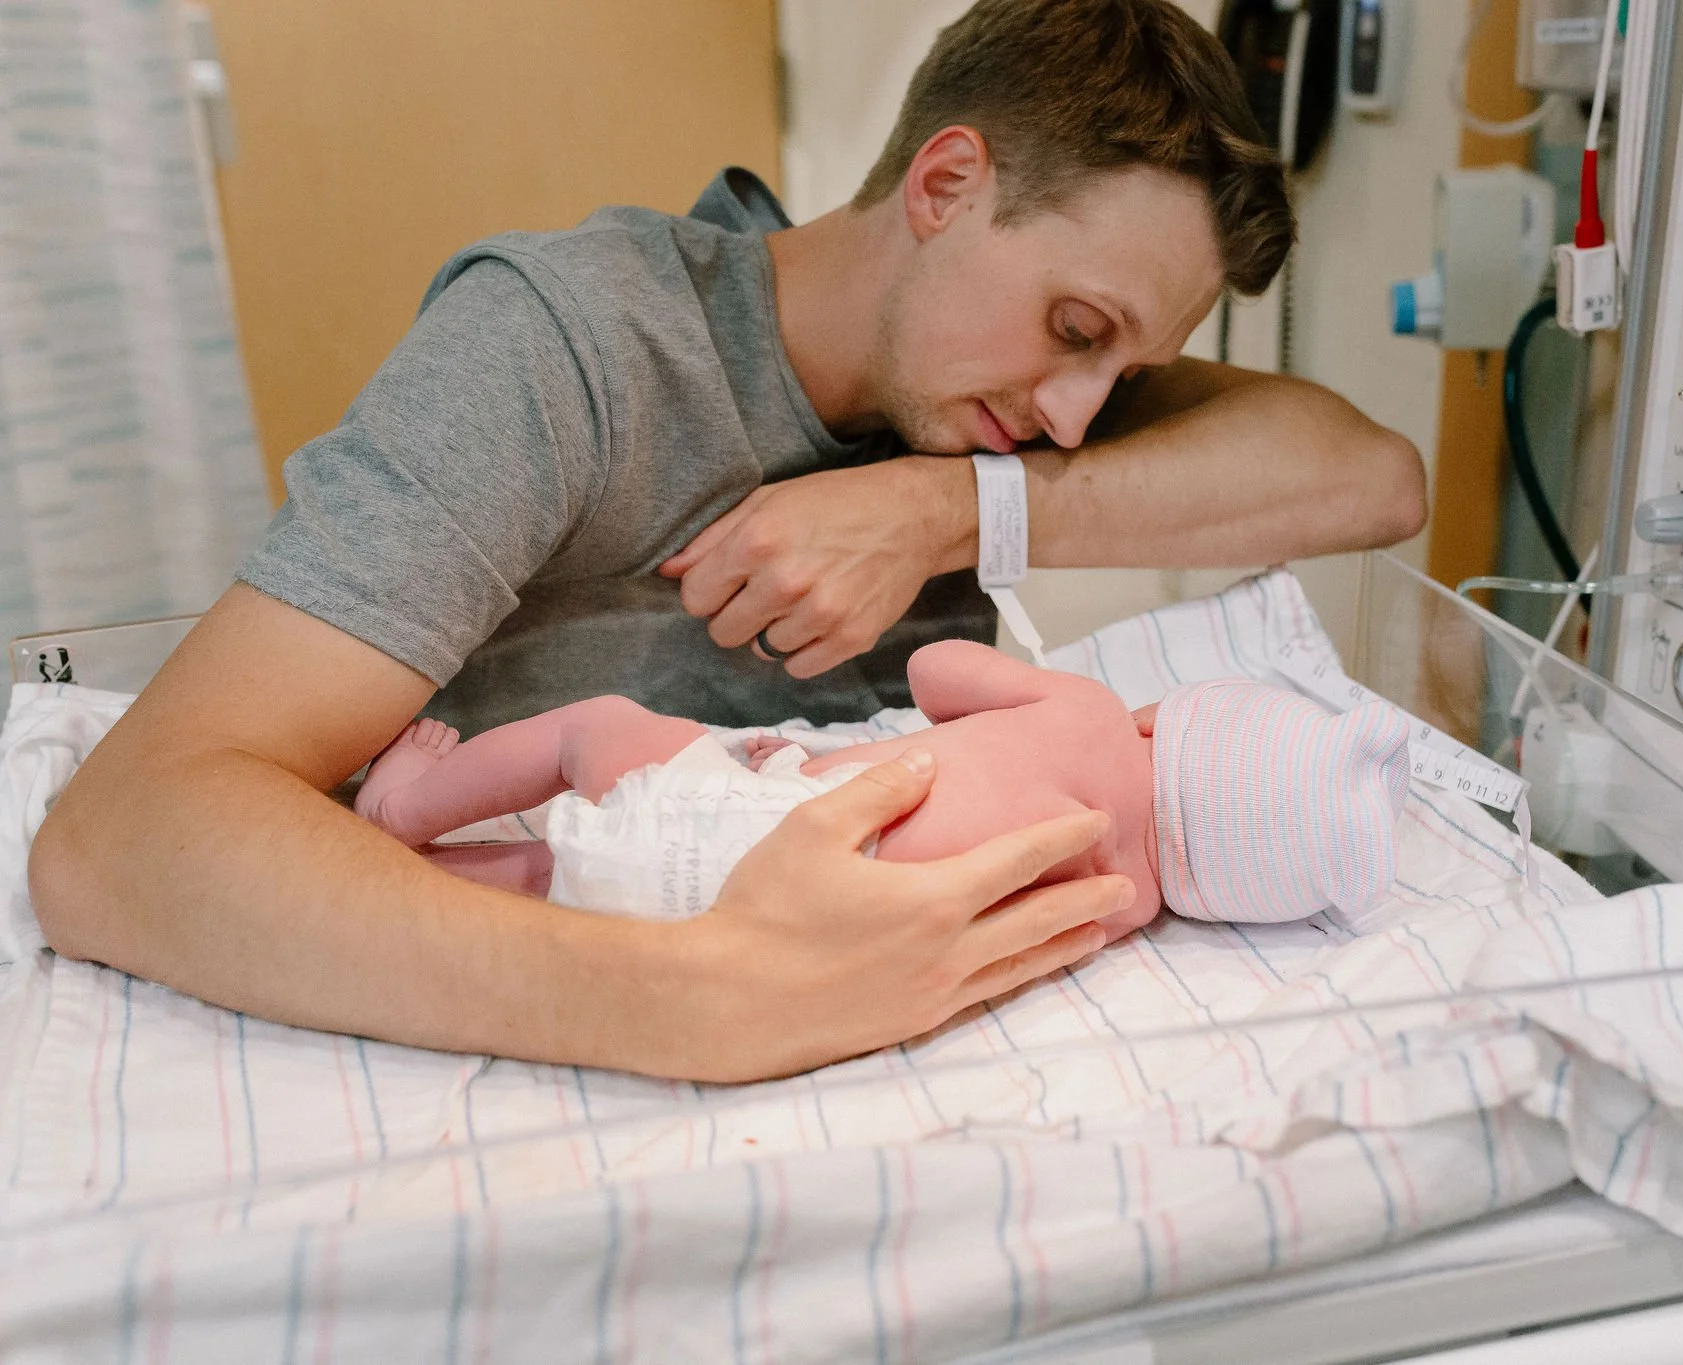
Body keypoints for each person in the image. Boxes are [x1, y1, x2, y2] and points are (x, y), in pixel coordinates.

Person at [28, 0, 1426, 1083]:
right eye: (1076, 331)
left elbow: (1371, 478)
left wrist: (952, 506)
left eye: (1120, 375)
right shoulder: (566, 348)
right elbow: (125, 838)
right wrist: (712, 998)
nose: (1076, 411)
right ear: (944, 184)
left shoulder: (998, 420)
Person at [351, 640, 1411, 937]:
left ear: (1164, 721)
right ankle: (438, 888)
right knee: (560, 875)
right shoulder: (1126, 907)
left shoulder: (1090, 716)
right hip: (777, 918)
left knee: (596, 738)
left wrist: (989, 718)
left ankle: (402, 810)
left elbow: (932, 670)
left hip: (764, 811)